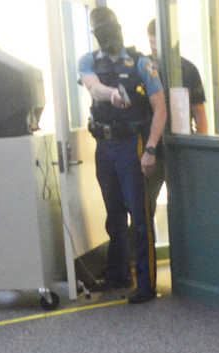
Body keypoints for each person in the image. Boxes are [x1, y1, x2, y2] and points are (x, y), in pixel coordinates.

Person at [78, 7, 167, 304]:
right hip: (104, 147)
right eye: (102, 30)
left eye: (111, 28)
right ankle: (119, 275)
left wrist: (150, 148)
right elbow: (93, 88)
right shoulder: (89, 61)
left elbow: (160, 108)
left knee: (140, 217)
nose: (109, 35)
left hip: (133, 145)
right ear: (96, 34)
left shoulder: (141, 63)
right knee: (114, 214)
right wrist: (112, 94)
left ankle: (146, 283)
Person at [144, 18, 207, 233]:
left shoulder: (187, 69)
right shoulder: (144, 68)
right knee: (145, 208)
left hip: (181, 149)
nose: (155, 49)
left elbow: (199, 113)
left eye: (158, 43)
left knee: (186, 207)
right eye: (151, 42)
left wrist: (199, 149)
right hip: (152, 151)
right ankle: (146, 253)